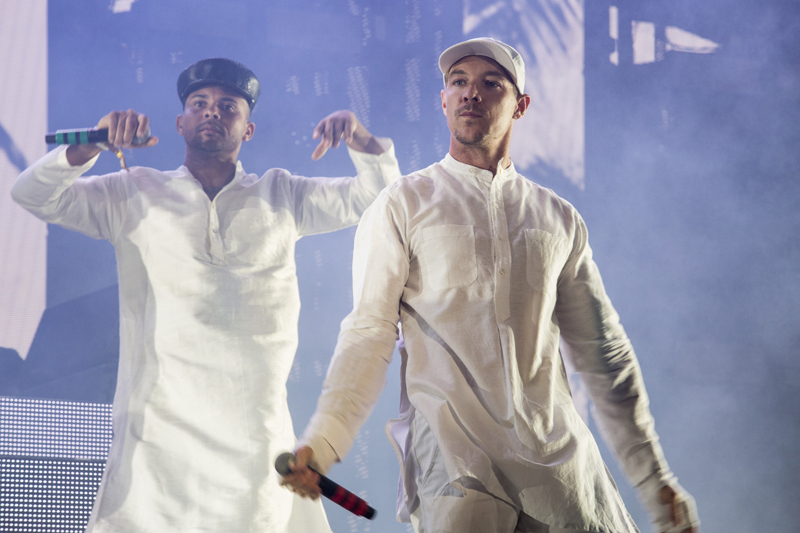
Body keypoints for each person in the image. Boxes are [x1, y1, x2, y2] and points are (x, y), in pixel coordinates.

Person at [280, 38, 701, 533]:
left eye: (490, 83)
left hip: (560, 469)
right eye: (458, 82)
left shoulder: (558, 218)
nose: (470, 93)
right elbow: (368, 333)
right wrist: (323, 442)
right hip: (458, 469)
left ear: (521, 106)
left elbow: (604, 355)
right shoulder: (402, 205)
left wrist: (656, 479)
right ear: (442, 101)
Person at [11, 57, 401, 532]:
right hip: (159, 435)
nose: (213, 111)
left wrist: (360, 139)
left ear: (248, 129)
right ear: (180, 123)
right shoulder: (133, 192)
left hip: (254, 432)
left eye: (228, 106)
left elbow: (382, 198)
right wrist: (93, 141)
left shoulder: (282, 194)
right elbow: (32, 195)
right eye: (199, 103)